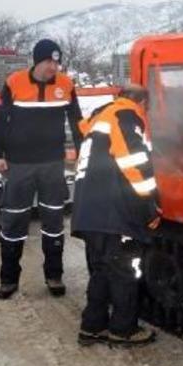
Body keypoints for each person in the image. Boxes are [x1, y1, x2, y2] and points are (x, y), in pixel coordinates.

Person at [0, 39, 83, 299]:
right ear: (36, 60)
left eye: (57, 62)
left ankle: (54, 276)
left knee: (54, 220)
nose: (53, 67)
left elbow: (77, 122)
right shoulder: (14, 82)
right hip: (19, 165)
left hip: (52, 164)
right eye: (48, 61)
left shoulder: (66, 84)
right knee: (14, 221)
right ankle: (8, 280)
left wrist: (84, 151)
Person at [71, 83, 160, 347]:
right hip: (114, 214)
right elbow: (134, 164)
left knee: (101, 270)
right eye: (148, 108)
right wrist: (150, 205)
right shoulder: (125, 116)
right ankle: (124, 330)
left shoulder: (100, 120)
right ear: (141, 102)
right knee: (124, 271)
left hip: (90, 211)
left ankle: (92, 326)